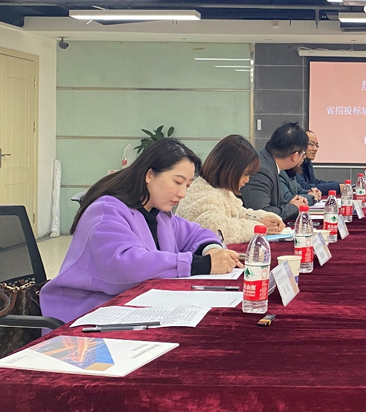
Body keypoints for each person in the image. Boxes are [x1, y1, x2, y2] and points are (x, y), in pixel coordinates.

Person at [40, 138, 240, 325]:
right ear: (149, 175)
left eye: (187, 185)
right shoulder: (106, 210)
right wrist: (200, 264)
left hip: (129, 309)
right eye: (177, 182)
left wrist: (212, 249)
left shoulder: (159, 214)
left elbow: (196, 233)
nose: (182, 193)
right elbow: (124, 266)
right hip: (85, 317)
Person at [176, 135, 285, 244]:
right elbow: (218, 230)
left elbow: (240, 213)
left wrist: (268, 219)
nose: (247, 180)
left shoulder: (221, 190)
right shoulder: (204, 194)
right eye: (245, 174)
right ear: (230, 169)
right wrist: (258, 226)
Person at [240, 122, 309, 221]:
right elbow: (261, 213)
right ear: (294, 156)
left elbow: (274, 204)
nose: (303, 157)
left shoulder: (269, 163)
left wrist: (291, 204)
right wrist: (293, 207)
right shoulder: (260, 170)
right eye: (303, 154)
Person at [295, 130, 341, 195]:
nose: (315, 149)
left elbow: (313, 182)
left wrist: (338, 185)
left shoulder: (307, 162)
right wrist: (337, 187)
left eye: (317, 145)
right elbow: (304, 187)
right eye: (311, 144)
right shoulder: (293, 164)